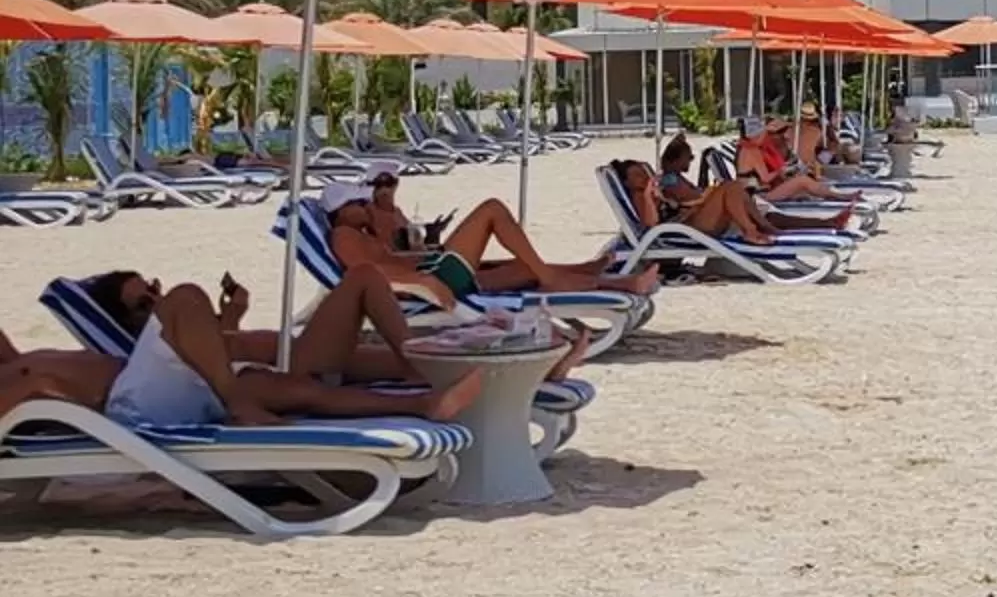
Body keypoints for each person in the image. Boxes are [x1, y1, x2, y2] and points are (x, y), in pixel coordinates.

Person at [77, 269, 483, 429]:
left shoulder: (179, 336)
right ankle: (425, 387)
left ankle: (430, 387)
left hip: (268, 373)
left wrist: (232, 316)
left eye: (153, 287)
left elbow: (222, 354)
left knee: (367, 285)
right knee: (363, 281)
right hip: (267, 376)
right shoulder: (149, 356)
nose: (156, 298)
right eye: (143, 303)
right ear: (125, 321)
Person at [337, 172, 659, 301]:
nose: (364, 204)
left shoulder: (357, 232)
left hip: (430, 271)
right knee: (491, 209)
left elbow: (388, 259)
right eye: (357, 203)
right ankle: (553, 277)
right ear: (339, 211)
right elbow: (369, 274)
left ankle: (620, 283)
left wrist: (421, 254)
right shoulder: (343, 236)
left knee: (522, 268)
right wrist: (421, 281)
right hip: (433, 280)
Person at [625, 148, 777, 244]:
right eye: (637, 175)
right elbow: (651, 224)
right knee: (729, 187)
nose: (644, 177)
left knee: (733, 186)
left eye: (643, 173)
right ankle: (751, 231)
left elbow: (678, 206)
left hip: (690, 220)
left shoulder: (654, 190)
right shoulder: (639, 196)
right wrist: (648, 196)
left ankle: (763, 226)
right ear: (627, 182)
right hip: (685, 229)